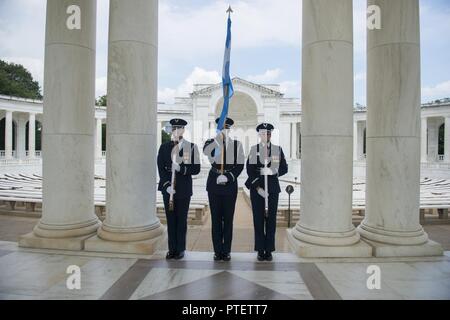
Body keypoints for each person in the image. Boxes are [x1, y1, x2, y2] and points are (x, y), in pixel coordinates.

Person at [157, 118, 200, 260]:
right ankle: (171, 249)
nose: (176, 131)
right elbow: (161, 170)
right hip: (168, 189)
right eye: (174, 128)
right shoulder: (164, 147)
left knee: (181, 220)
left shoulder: (192, 147)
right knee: (170, 220)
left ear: (183, 130)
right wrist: (166, 186)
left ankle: (180, 248)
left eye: (179, 128)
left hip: (183, 189)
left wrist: (181, 169)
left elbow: (196, 169)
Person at [203, 117, 244, 261]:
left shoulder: (237, 145)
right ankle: (217, 250)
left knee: (228, 219)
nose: (224, 131)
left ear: (230, 130)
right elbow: (206, 152)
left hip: (229, 185)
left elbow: (240, 165)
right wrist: (217, 140)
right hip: (214, 183)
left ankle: (226, 250)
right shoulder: (210, 143)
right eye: (222, 128)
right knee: (215, 219)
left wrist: (229, 176)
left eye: (227, 128)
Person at [245, 123, 288, 261]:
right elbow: (250, 171)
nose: (266, 135)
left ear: (270, 134)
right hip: (257, 190)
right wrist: (258, 188)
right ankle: (260, 249)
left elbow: (284, 168)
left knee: (271, 220)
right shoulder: (254, 150)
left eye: (268, 133)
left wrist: (273, 171)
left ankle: (268, 250)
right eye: (263, 133)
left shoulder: (277, 149)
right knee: (258, 220)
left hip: (273, 189)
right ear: (259, 135)